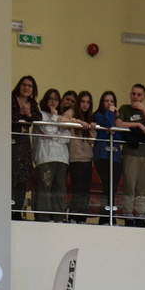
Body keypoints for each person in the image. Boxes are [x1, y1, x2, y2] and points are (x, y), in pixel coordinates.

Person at [116, 84, 145, 227]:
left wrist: (144, 109)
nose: (135, 97)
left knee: (143, 188)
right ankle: (128, 215)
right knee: (129, 186)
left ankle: (140, 216)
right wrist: (137, 125)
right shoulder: (125, 108)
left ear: (144, 97)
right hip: (130, 152)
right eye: (133, 94)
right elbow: (118, 123)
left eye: (139, 95)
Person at [32, 88, 69, 221]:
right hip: (45, 157)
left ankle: (58, 217)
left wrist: (54, 131)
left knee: (59, 188)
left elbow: (66, 137)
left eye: (56, 99)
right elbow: (49, 130)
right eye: (51, 98)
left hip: (62, 158)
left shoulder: (62, 117)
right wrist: (54, 119)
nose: (53, 102)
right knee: (45, 187)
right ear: (46, 100)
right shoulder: (41, 115)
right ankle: (43, 217)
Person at [64, 91, 95, 223]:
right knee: (77, 188)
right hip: (75, 157)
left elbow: (92, 140)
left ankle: (82, 218)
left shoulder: (90, 116)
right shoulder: (72, 112)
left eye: (87, 102)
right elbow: (62, 120)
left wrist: (91, 128)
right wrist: (77, 122)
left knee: (85, 189)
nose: (85, 105)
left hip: (87, 157)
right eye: (83, 101)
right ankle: (73, 216)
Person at [92, 90, 122, 224]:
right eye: (106, 101)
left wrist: (117, 120)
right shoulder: (98, 115)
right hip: (102, 155)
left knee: (113, 187)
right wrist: (111, 112)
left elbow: (120, 137)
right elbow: (108, 123)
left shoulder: (117, 118)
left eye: (111, 101)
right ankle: (104, 217)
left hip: (116, 156)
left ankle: (111, 216)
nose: (109, 103)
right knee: (107, 185)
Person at [11, 76, 38, 219]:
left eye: (30, 86)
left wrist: (29, 114)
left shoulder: (32, 103)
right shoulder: (11, 99)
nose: (26, 88)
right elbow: (6, 115)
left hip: (24, 142)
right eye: (24, 84)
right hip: (11, 140)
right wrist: (21, 113)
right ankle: (6, 209)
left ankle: (17, 211)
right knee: (10, 175)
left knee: (22, 177)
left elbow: (38, 117)